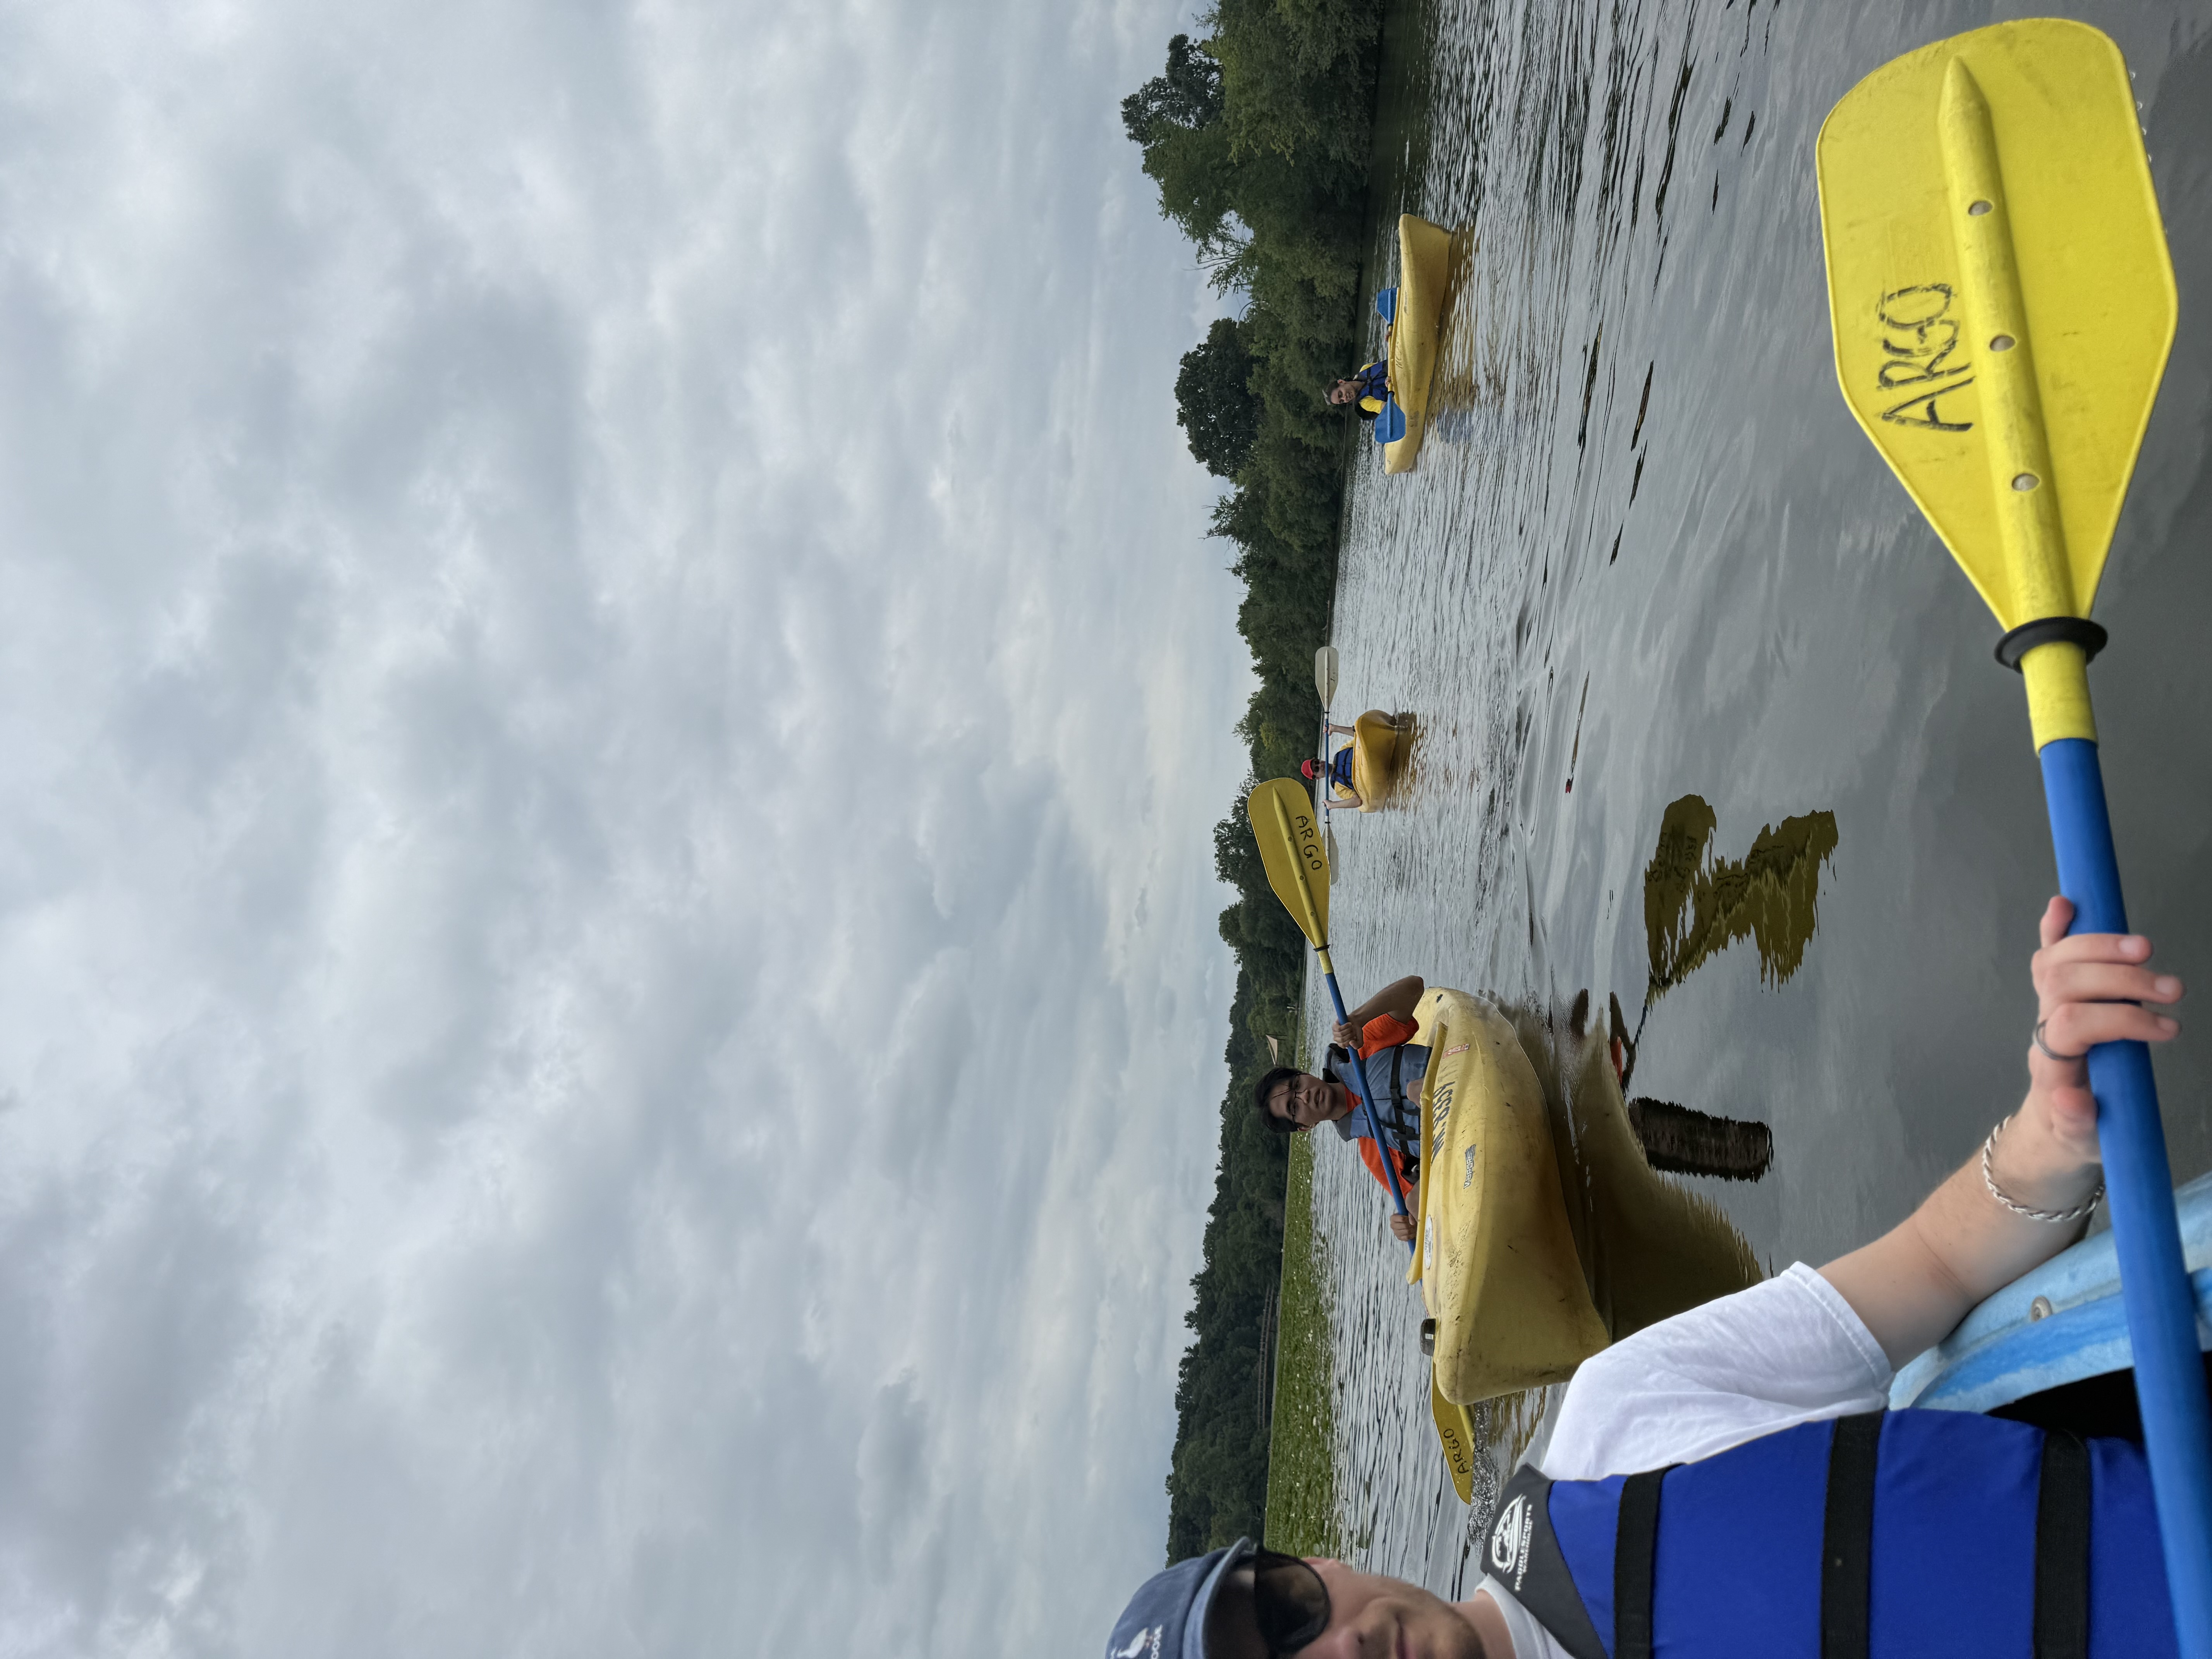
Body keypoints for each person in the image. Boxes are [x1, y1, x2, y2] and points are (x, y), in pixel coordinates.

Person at [1106, 895, 2189, 1659]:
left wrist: (2053, 1125)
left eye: (1289, 1609)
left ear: (1330, 1563)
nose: (1339, 1647)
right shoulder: (1371, 1158)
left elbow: (1940, 1261)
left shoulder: (1615, 1414)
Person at [1252, 975, 1428, 1242]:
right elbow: (1413, 1201)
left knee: (1417, 1090)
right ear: (1304, 1127)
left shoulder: (1361, 1047)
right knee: (1414, 1201)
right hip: (1450, 1135)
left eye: (1298, 1085)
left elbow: (1414, 988)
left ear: (1305, 1074)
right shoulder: (1374, 1152)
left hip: (1455, 1071)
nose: (1306, 1095)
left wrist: (1358, 1018)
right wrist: (1407, 1225)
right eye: (1294, 1107)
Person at [1326, 361, 1391, 419]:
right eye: (1342, 401)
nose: (1345, 398)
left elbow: (1388, 365)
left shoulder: (1365, 369)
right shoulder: (1365, 403)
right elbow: (1385, 407)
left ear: (1342, 382)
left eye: (1340, 394)